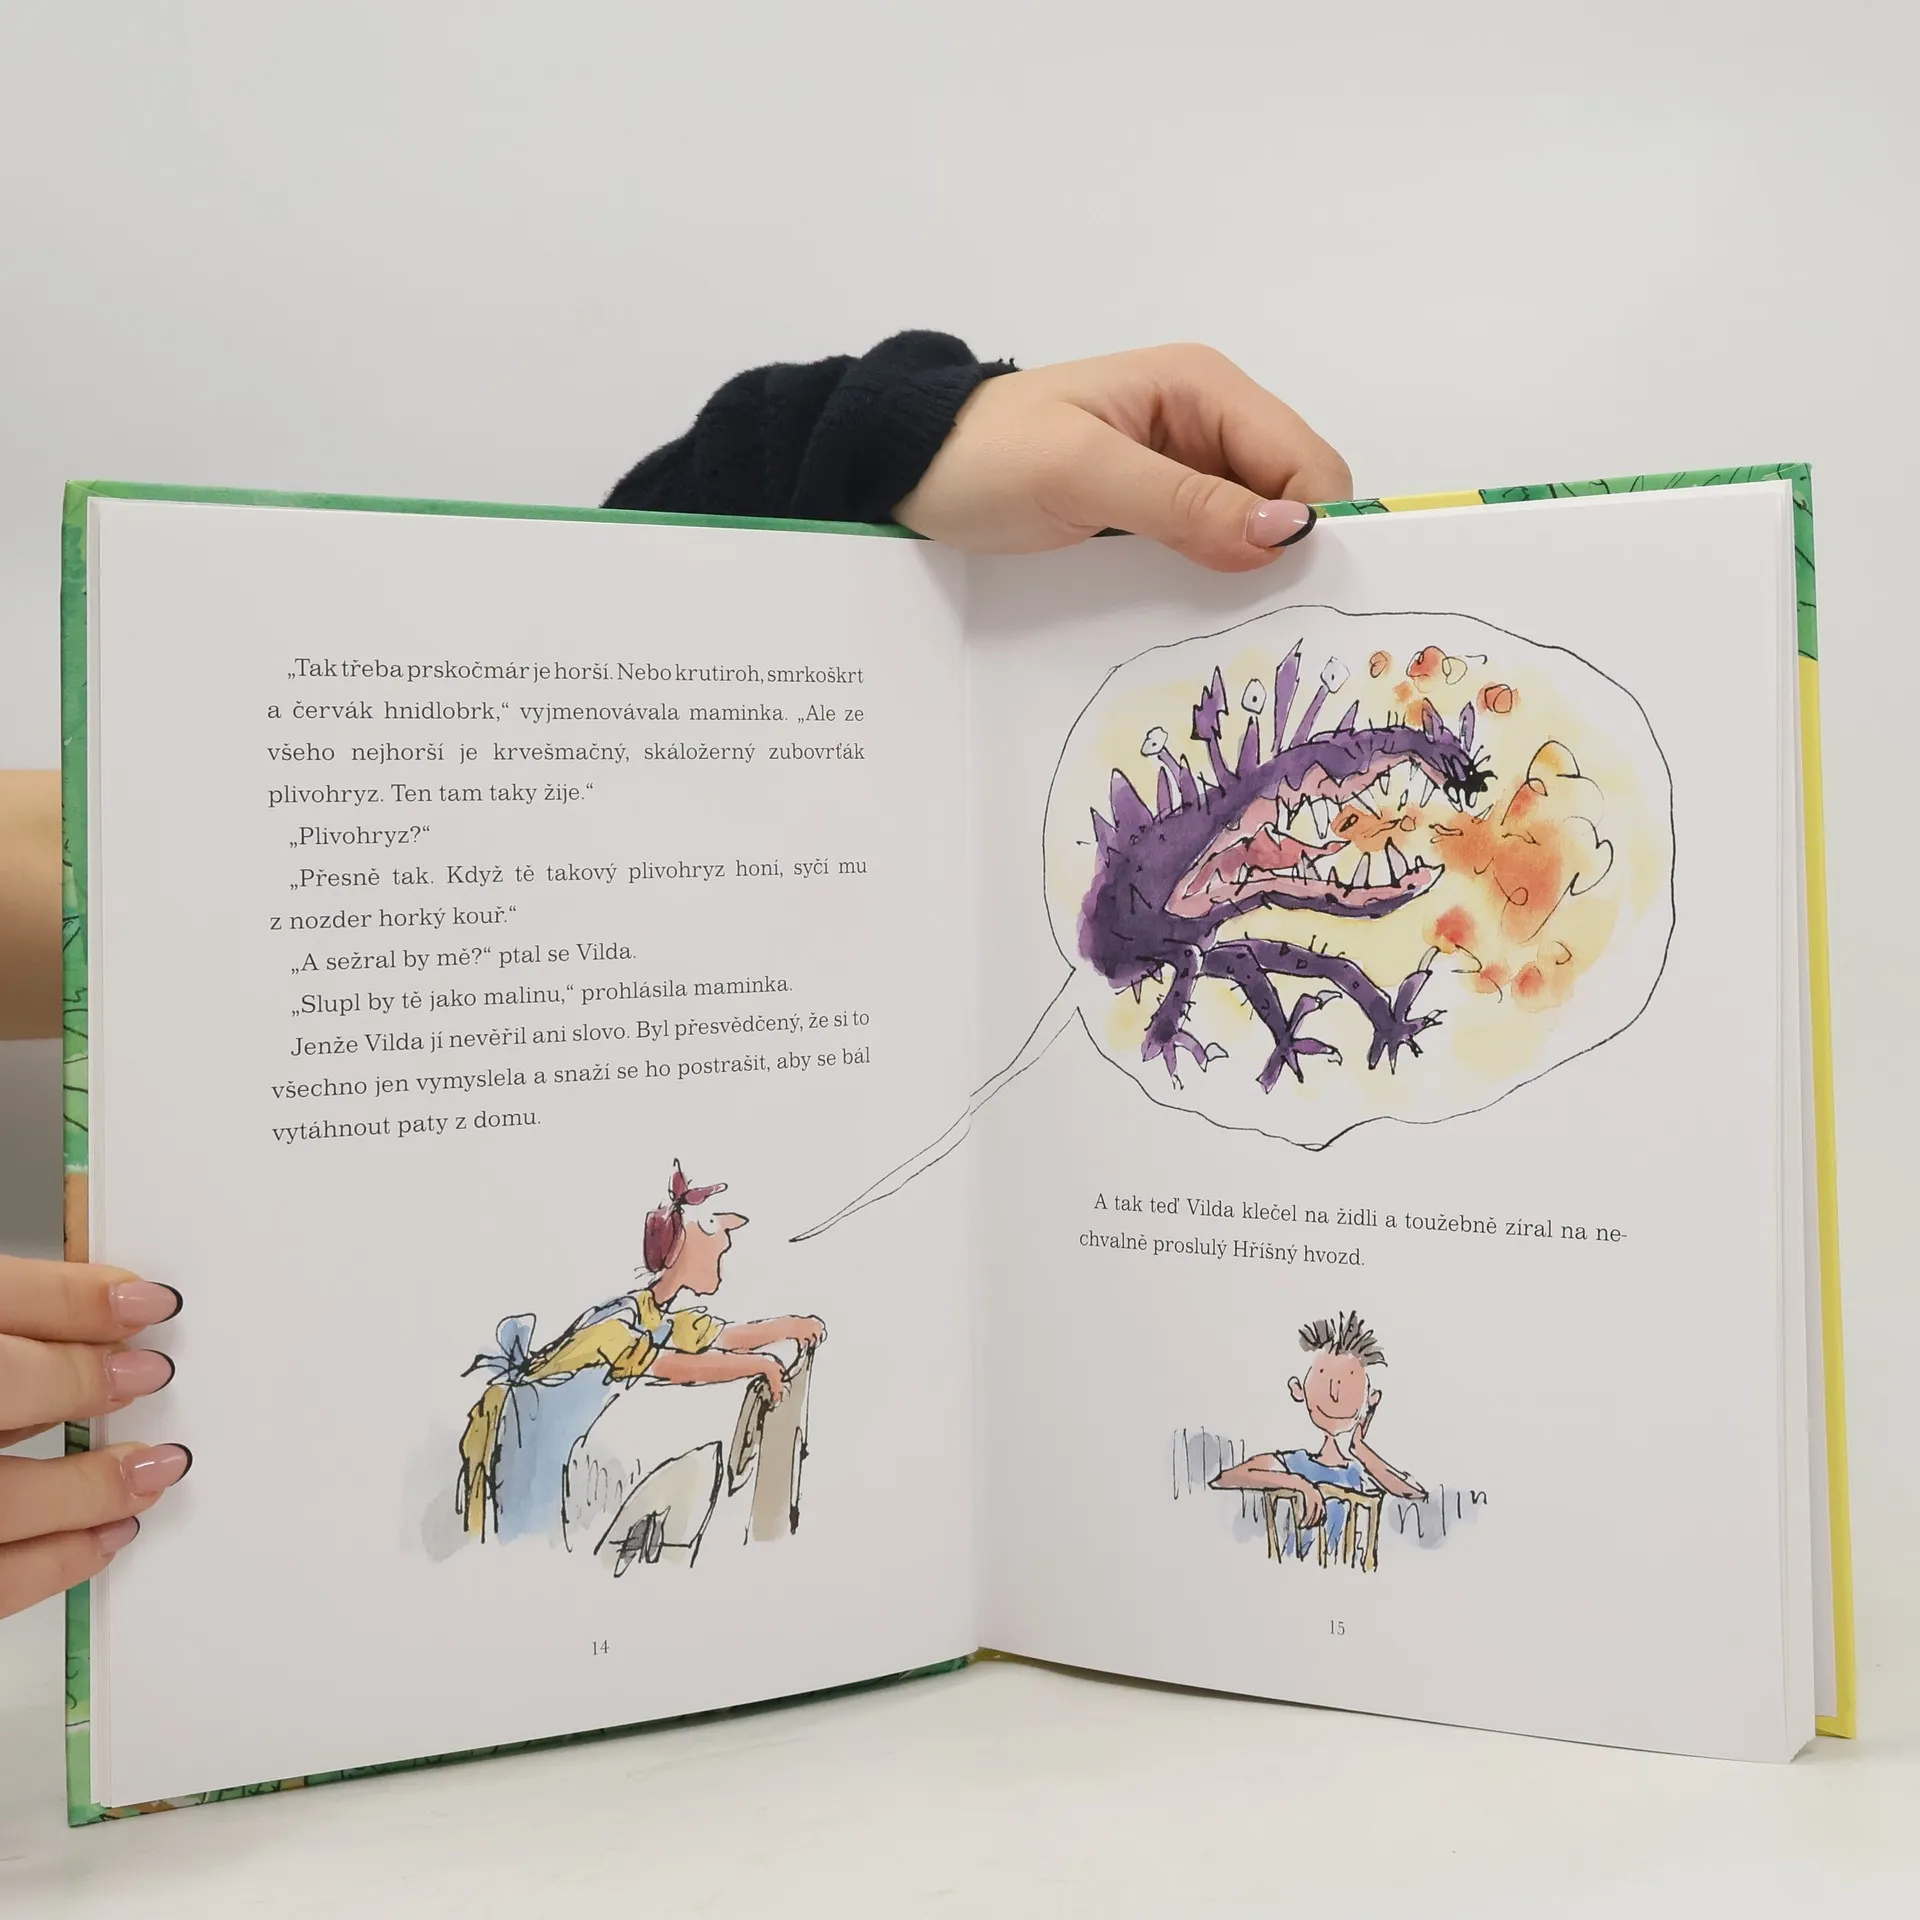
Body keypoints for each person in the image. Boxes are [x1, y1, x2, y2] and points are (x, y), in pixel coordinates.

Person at [0, 336, 1350, 1616]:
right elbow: (677, 1361)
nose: (728, 1241)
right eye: (720, 1234)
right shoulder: (626, 1321)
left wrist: (871, 449)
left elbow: (581, 741)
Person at [456, 1161, 824, 1542]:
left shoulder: (655, 1314)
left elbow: (722, 1336)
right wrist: (761, 1365)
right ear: (687, 1244)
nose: (726, 1245)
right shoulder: (618, 1323)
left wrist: (790, 1327)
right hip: (524, 1445)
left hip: (552, 1449)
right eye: (717, 1238)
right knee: (523, 1545)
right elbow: (671, 1367)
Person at [1210, 1310, 1425, 1558]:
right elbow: (1226, 1478)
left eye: (1349, 1382)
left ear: (1370, 1400)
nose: (1334, 1393)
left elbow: (1413, 1492)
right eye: (1323, 1377)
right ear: (1299, 1391)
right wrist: (1299, 1484)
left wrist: (1359, 1447)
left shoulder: (1358, 1473)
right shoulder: (1294, 1463)